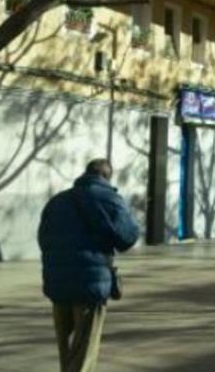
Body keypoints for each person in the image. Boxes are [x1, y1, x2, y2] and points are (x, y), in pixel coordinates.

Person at [38, 158, 140, 372]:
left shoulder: (57, 201)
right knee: (84, 352)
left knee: (65, 353)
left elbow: (43, 239)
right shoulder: (112, 199)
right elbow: (127, 238)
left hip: (58, 285)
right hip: (90, 287)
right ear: (106, 176)